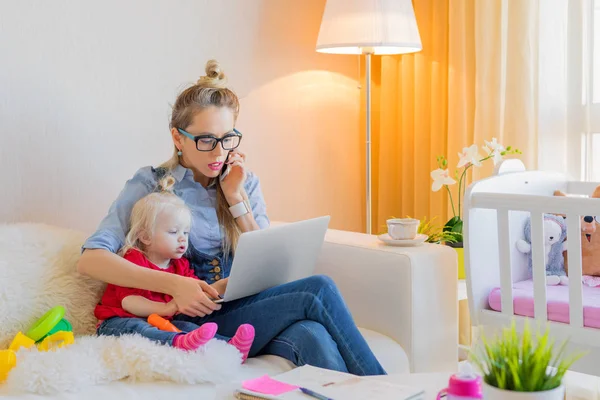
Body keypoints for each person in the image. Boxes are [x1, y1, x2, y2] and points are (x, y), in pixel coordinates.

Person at [77, 59, 386, 375]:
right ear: (177, 137)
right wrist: (174, 284)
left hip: (232, 310)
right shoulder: (150, 181)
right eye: (206, 140)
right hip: (185, 317)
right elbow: (91, 260)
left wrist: (236, 199)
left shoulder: (243, 182)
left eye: (227, 139)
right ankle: (387, 391)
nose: (218, 153)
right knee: (317, 289)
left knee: (312, 334)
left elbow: (269, 263)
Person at [94, 175, 254, 362]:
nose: (182, 239)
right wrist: (167, 307)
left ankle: (229, 349)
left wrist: (225, 286)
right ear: (145, 237)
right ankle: (176, 341)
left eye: (185, 233)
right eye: (173, 232)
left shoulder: (180, 264)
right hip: (119, 321)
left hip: (162, 320)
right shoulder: (134, 258)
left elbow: (197, 290)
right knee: (140, 328)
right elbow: (129, 302)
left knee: (189, 327)